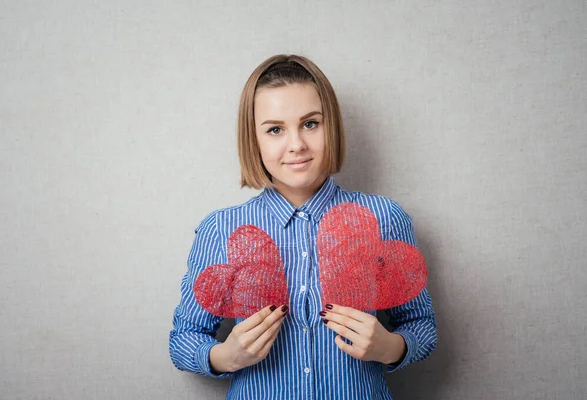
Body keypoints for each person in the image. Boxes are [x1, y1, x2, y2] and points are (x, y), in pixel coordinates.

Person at [169, 54, 437, 399]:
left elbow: (422, 327)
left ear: (332, 126)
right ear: (255, 139)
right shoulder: (221, 228)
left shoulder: (385, 218)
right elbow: (183, 340)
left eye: (310, 123)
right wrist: (226, 356)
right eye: (275, 129)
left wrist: (390, 348)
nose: (296, 144)